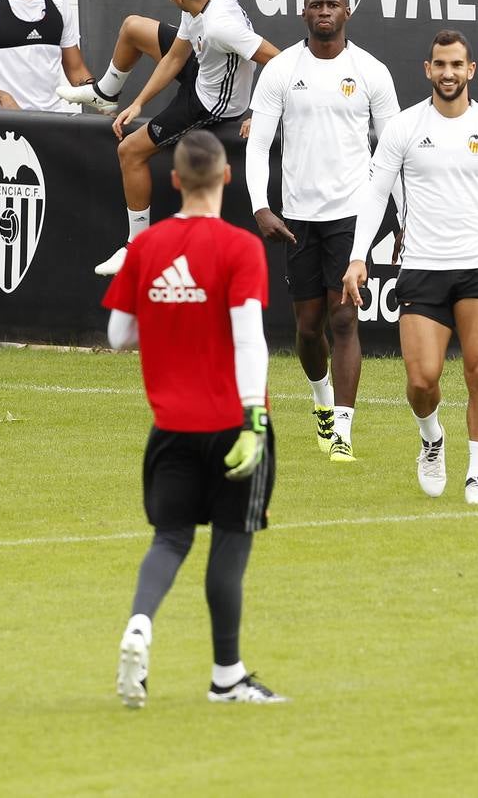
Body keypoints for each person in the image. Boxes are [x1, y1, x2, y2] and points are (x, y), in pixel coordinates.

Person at [102, 130, 284, 708]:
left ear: (174, 180)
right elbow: (248, 338)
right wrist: (255, 420)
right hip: (232, 425)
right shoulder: (239, 248)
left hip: (171, 428)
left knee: (171, 537)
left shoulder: (147, 247)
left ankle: (139, 625)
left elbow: (116, 337)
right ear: (226, 178)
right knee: (230, 544)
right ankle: (226, 676)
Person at [342, 29, 478, 506]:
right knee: (421, 380)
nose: (449, 72)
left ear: (470, 70)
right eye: (441, 64)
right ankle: (432, 438)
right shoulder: (404, 128)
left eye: (457, 64)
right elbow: (375, 194)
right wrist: (358, 256)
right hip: (421, 268)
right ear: (428, 70)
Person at [245, 0, 401, 462]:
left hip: (353, 215)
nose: (325, 12)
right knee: (309, 328)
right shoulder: (281, 70)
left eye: (333, 4)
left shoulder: (371, 71)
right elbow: (257, 143)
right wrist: (260, 206)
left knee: (343, 318)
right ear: (304, 13)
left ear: (347, 12)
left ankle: (343, 434)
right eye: (317, 5)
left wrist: (404, 216)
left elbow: (394, 149)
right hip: (298, 218)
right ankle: (322, 406)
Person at [59, 0, 279, 276]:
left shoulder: (220, 26)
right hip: (202, 71)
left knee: (129, 150)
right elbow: (176, 57)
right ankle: (106, 94)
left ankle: (136, 247)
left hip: (211, 105)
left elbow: (278, 60)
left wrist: (260, 113)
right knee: (133, 27)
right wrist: (138, 102)